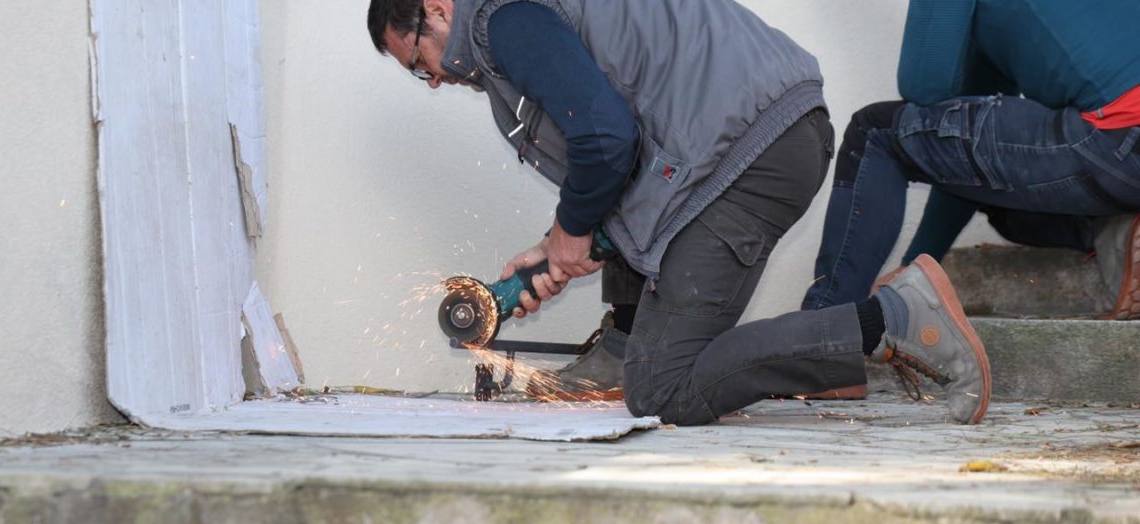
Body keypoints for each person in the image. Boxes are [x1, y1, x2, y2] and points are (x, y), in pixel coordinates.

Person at [368, 0, 992, 424]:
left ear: (437, 7)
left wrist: (572, 230)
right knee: (656, 371)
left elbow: (606, 139)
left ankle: (892, 317)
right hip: (746, 145)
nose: (433, 80)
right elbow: (626, 147)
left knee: (662, 388)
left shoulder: (501, 21)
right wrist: (555, 244)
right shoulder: (515, 23)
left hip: (750, 153)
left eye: (418, 60)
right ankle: (840, 349)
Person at [803, 0, 1140, 322]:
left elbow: (924, 88)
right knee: (1003, 206)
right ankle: (1118, 233)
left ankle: (824, 341)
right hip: (1124, 156)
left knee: (875, 131)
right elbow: (958, 155)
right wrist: (918, 265)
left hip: (1119, 134)